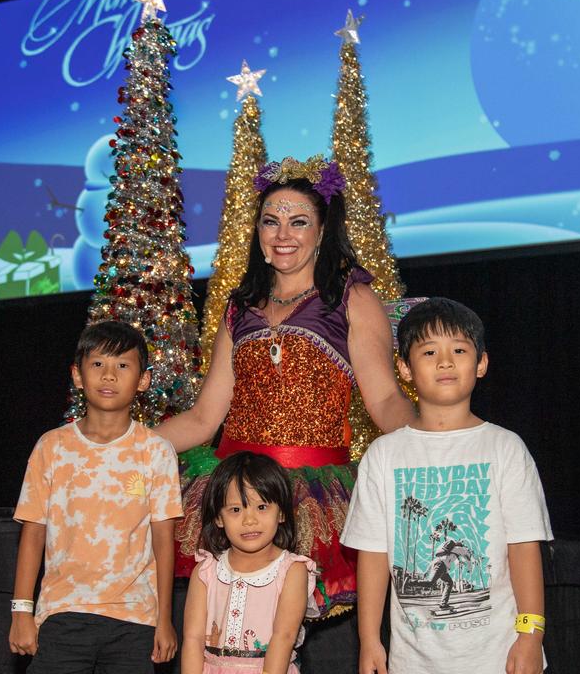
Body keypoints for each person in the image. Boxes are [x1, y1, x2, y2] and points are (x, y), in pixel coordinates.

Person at [156, 155, 414, 617]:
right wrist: (121, 445)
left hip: (310, 501)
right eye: (270, 222)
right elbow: (203, 418)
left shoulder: (351, 298)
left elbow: (387, 399)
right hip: (235, 495)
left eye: (298, 222)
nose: (282, 235)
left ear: (321, 230)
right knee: (229, 636)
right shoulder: (242, 306)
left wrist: (432, 441)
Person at [340, 298, 553, 674]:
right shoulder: (383, 455)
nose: (445, 361)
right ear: (404, 368)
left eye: (458, 349)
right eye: (428, 351)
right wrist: (370, 640)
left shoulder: (505, 448)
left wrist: (531, 636)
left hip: (499, 658)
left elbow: (523, 548)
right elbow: (373, 556)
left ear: (481, 363)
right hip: (413, 663)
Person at [9, 321, 184, 674]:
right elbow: (33, 533)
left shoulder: (156, 451)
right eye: (98, 364)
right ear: (78, 375)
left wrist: (164, 620)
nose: (109, 375)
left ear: (143, 380)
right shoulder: (52, 447)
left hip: (134, 618)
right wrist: (21, 612)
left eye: (122, 365)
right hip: (63, 613)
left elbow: (164, 541)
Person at [181, 451, 317, 674]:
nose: (249, 520)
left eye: (262, 507)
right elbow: (193, 639)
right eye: (235, 509)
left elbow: (284, 637)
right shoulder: (206, 570)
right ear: (218, 518)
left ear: (281, 513)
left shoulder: (292, 570)